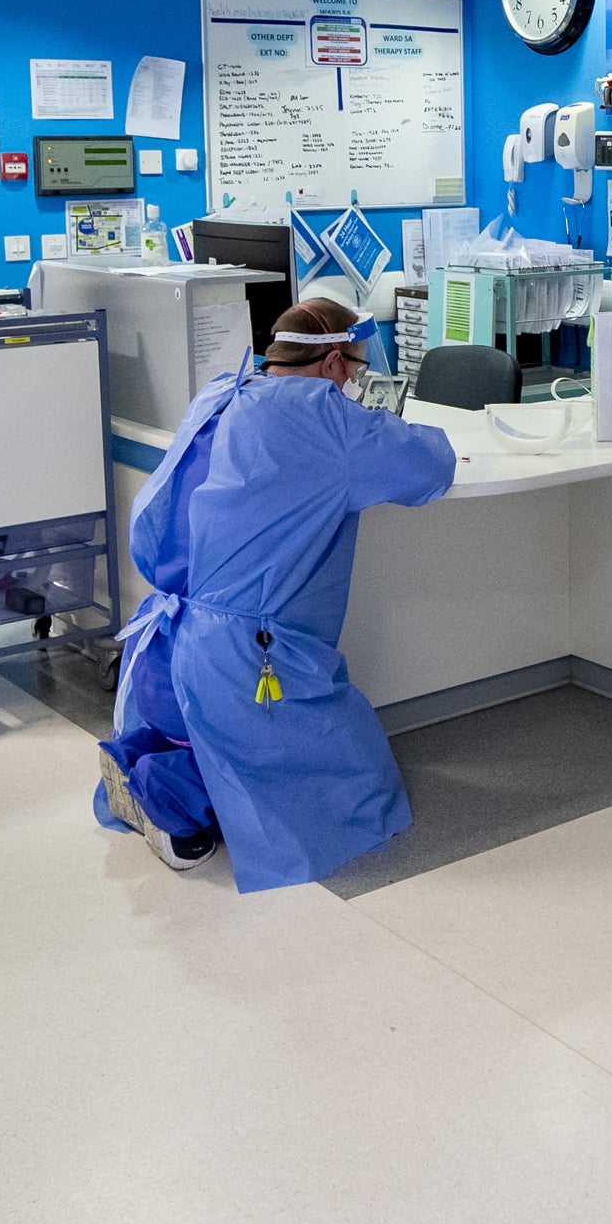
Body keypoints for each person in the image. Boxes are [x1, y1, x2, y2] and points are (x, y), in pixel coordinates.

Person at [95, 297, 457, 888]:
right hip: (247, 658)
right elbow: (428, 466)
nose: (354, 382)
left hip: (167, 641)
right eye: (357, 370)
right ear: (336, 362)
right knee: (364, 791)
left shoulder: (222, 391)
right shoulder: (321, 416)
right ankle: (171, 801)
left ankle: (149, 760)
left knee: (215, 740)